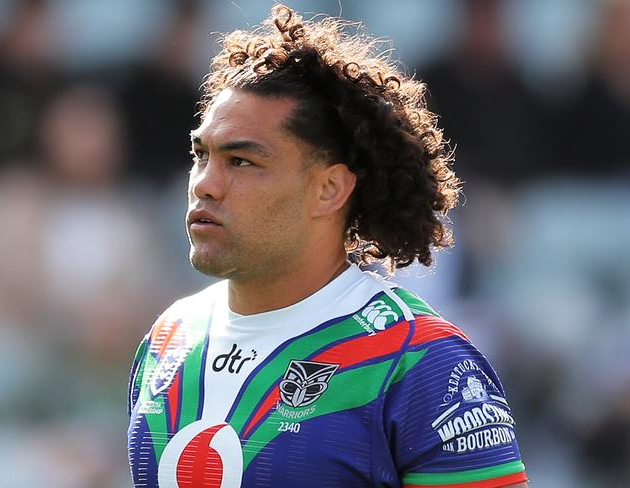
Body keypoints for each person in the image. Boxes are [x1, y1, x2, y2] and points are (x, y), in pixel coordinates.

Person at [127, 5, 528, 487]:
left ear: (329, 189)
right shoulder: (169, 339)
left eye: (242, 162)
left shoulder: (419, 361)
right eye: (201, 155)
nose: (205, 185)